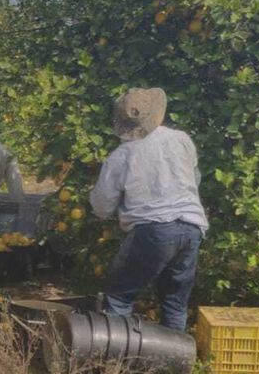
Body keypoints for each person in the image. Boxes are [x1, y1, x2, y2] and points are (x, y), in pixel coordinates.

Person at [89, 88, 208, 331]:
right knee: (175, 302)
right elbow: (193, 180)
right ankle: (173, 365)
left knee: (120, 296)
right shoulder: (181, 140)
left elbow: (102, 206)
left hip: (154, 231)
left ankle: (114, 361)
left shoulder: (121, 156)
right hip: (192, 227)